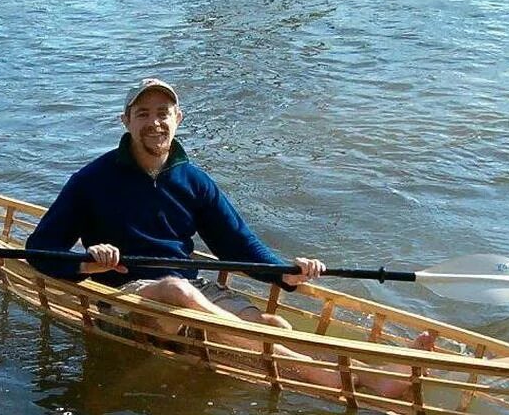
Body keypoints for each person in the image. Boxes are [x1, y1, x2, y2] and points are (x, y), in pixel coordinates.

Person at [26, 77, 434, 394]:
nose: (155, 122)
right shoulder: (91, 181)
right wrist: (87, 261)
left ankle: (365, 376)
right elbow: (40, 250)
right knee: (176, 291)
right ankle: (338, 379)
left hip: (191, 286)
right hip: (126, 296)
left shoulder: (194, 181)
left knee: (274, 322)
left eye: (163, 112)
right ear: (126, 121)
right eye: (144, 113)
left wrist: (284, 273)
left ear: (178, 119)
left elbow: (239, 245)